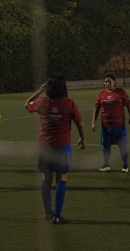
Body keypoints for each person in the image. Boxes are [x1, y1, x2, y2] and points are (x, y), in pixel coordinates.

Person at [25, 74, 86, 224]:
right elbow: (80, 124)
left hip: (44, 147)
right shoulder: (69, 103)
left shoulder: (42, 102)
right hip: (62, 147)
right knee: (61, 178)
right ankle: (58, 216)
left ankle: (48, 213)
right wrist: (82, 139)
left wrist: (39, 91)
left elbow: (27, 104)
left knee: (46, 178)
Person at [91, 74, 130, 173]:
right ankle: (106, 165)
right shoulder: (101, 94)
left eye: (109, 81)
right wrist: (94, 121)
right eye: (106, 81)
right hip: (106, 125)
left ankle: (125, 166)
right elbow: (97, 108)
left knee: (122, 145)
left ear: (114, 82)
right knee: (106, 145)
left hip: (119, 125)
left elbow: (129, 105)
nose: (107, 83)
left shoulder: (121, 92)